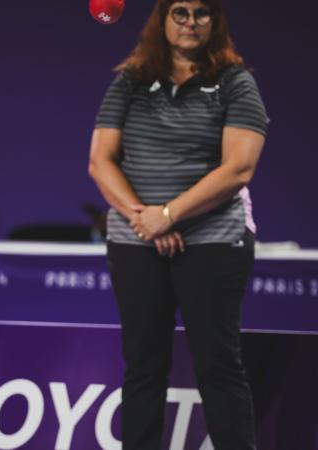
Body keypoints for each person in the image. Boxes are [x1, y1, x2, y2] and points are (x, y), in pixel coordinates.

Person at [88, 1, 268, 448]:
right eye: (180, 12)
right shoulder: (130, 81)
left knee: (218, 366)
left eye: (202, 13)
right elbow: (100, 162)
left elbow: (239, 168)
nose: (191, 22)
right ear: (163, 19)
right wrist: (144, 218)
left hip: (213, 240)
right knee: (143, 367)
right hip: (136, 240)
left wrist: (168, 214)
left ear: (215, 22)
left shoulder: (235, 82)